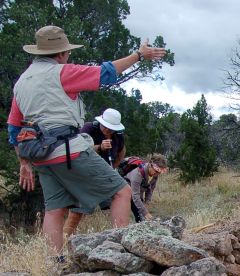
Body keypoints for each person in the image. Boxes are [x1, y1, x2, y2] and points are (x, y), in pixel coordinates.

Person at [7, 25, 166, 255]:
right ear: (61, 53)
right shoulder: (62, 73)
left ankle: (54, 263)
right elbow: (106, 73)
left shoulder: (22, 82)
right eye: (67, 52)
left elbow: (14, 127)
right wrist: (139, 55)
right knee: (121, 191)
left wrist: (23, 162)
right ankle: (120, 253)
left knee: (54, 210)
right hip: (67, 151)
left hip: (39, 155)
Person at [63, 108, 127, 238]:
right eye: (106, 127)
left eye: (111, 128)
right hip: (85, 175)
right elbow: (76, 149)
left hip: (105, 175)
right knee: (77, 212)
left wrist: (112, 168)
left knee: (120, 198)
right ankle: (63, 243)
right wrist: (99, 147)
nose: (108, 130)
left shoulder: (118, 136)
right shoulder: (89, 129)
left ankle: (121, 238)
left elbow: (121, 152)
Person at [126, 154, 168, 222]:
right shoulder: (137, 174)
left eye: (159, 172)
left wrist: (147, 201)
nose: (157, 174)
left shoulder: (155, 174)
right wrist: (146, 213)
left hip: (139, 192)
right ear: (151, 164)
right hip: (128, 192)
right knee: (140, 216)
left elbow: (151, 188)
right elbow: (135, 196)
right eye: (156, 171)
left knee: (142, 216)